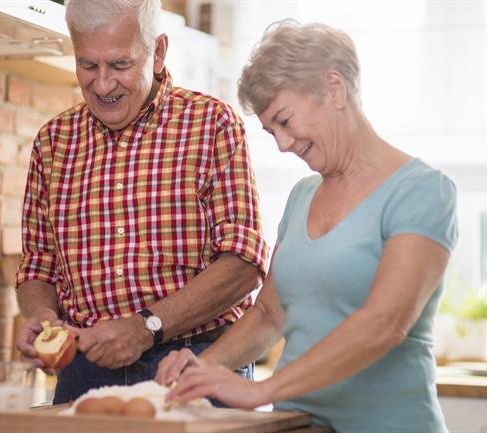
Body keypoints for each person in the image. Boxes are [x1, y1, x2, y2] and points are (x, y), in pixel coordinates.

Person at [156, 20, 458, 433]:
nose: (282, 144)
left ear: (333, 89)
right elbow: (268, 314)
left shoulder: (422, 191)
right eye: (270, 130)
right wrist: (203, 367)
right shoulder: (302, 196)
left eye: (285, 120)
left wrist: (264, 390)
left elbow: (386, 322)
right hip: (298, 424)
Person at [14, 0, 269, 404]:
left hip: (196, 363)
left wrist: (146, 326)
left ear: (159, 52)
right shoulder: (53, 142)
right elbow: (38, 264)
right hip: (84, 372)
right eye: (87, 65)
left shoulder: (212, 124)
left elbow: (244, 264)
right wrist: (42, 316)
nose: (101, 85)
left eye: (119, 65)